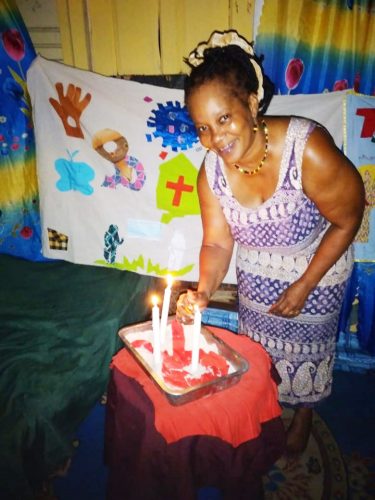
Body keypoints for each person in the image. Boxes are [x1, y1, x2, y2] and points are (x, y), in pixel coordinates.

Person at [176, 30, 365, 455]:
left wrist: (304, 286)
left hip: (319, 266)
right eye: (203, 128)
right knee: (260, 351)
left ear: (251, 102)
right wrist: (203, 291)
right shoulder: (211, 172)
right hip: (257, 276)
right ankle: (266, 404)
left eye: (223, 119)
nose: (214, 139)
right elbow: (217, 245)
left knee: (309, 349)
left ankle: (304, 412)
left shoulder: (307, 148)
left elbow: (348, 218)